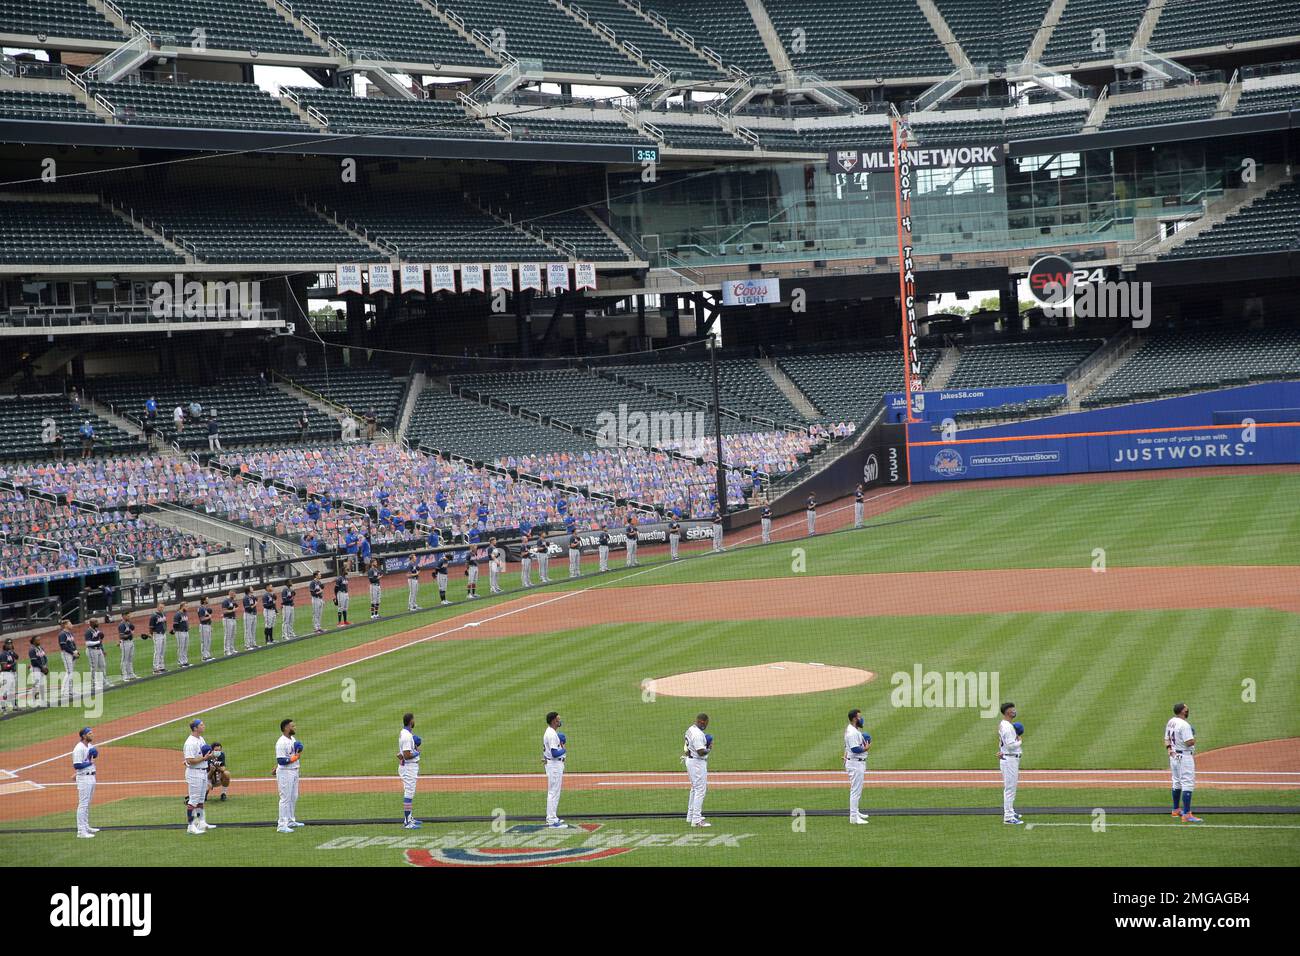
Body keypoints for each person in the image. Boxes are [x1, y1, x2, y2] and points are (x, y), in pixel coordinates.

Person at [1166, 702, 1202, 823]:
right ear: (1182, 711)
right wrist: (1194, 735)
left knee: (1176, 782)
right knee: (1187, 784)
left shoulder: (1171, 721)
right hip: (1184, 757)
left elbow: (1166, 739)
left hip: (1173, 756)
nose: (1188, 711)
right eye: (1186, 709)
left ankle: (1176, 809)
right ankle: (1186, 814)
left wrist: (1169, 749)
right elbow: (1189, 742)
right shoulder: (1185, 725)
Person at [183, 718, 216, 834]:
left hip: (202, 772)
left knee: (201, 799)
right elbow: (190, 760)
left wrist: (210, 756)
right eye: (201, 725)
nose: (204, 726)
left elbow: (204, 754)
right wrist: (204, 758)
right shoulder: (190, 743)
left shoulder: (201, 739)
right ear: (195, 728)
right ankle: (191, 826)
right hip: (194, 773)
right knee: (193, 800)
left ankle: (201, 823)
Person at [275, 718, 304, 833]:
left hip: (294, 771)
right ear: (286, 728)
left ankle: (291, 820)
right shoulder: (281, 742)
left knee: (293, 796)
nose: (294, 727)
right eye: (292, 726)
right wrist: (296, 757)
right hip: (285, 772)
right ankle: (282, 825)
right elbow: (281, 760)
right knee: (285, 798)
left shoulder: (292, 739)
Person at [683, 713, 712, 827]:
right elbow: (701, 752)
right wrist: (709, 748)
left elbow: (686, 749)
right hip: (697, 763)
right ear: (702, 722)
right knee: (700, 790)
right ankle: (696, 820)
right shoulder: (698, 735)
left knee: (694, 789)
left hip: (690, 761)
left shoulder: (690, 729)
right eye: (706, 723)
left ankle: (691, 816)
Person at [844, 708, 871, 825]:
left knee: (857, 790)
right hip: (855, 763)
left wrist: (845, 754)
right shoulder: (853, 732)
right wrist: (866, 748)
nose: (861, 719)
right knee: (855, 791)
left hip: (856, 762)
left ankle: (856, 812)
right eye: (859, 717)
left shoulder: (852, 730)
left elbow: (847, 746)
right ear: (855, 718)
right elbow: (855, 749)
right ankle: (854, 817)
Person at [997, 702, 1023, 825]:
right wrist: (1019, 742)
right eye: (1012, 709)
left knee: (1011, 787)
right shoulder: (1007, 727)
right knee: (1010, 789)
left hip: (1008, 758)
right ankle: (1008, 817)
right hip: (1010, 759)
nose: (1014, 711)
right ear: (1007, 712)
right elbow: (1010, 745)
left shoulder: (1004, 724)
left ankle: (1011, 811)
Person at [72, 727, 99, 838]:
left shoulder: (89, 746)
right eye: (90, 733)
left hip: (91, 777)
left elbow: (93, 756)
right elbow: (77, 765)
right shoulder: (78, 748)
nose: (92, 735)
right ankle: (81, 831)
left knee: (87, 803)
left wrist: (95, 753)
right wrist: (89, 762)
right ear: (84, 736)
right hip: (84, 779)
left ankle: (86, 826)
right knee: (83, 804)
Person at [542, 711, 568, 828]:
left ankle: (553, 817)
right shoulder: (551, 734)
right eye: (558, 719)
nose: (560, 721)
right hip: (554, 766)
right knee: (553, 792)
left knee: (555, 792)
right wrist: (564, 749)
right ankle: (551, 820)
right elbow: (554, 753)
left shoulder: (550, 732)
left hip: (553, 765)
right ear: (553, 721)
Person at [398, 713, 422, 829]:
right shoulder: (407, 736)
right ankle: (407, 822)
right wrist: (418, 752)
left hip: (408, 767)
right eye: (414, 719)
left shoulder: (405, 733)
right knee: (409, 793)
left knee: (409, 792)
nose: (414, 721)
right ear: (410, 721)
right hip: (409, 767)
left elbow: (403, 753)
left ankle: (409, 817)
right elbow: (407, 755)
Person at [56, 619, 78, 703]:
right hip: (66, 654)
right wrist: (72, 652)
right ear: (65, 625)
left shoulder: (69, 633)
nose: (72, 625)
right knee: (69, 672)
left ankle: (70, 691)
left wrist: (76, 652)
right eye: (70, 623)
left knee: (71, 672)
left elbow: (73, 643)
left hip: (72, 653)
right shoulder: (62, 634)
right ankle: (63, 692)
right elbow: (63, 646)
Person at [83, 618, 108, 689]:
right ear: (91, 623)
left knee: (103, 665)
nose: (98, 623)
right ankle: (94, 683)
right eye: (96, 622)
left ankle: (104, 681)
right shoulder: (88, 631)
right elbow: (87, 643)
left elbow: (100, 640)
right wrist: (98, 642)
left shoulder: (97, 630)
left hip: (99, 650)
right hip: (91, 650)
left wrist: (102, 650)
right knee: (94, 667)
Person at [27, 635, 49, 708]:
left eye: (40, 640)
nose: (39, 641)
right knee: (36, 685)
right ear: (34, 641)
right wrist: (42, 667)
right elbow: (34, 661)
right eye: (38, 640)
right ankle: (33, 701)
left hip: (42, 668)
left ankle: (42, 700)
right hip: (36, 669)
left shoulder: (40, 648)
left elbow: (44, 657)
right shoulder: (32, 650)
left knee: (42, 685)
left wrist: (45, 666)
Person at [117, 615, 138, 681]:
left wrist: (129, 623)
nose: (129, 617)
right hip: (124, 643)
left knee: (130, 658)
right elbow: (121, 636)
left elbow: (133, 628)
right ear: (123, 616)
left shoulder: (128, 623)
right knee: (124, 659)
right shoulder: (121, 625)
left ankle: (131, 674)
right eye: (128, 616)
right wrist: (130, 634)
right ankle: (124, 675)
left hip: (131, 642)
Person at [148, 602, 168, 674]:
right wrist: (151, 634)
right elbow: (151, 627)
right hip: (157, 635)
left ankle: (161, 667)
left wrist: (165, 630)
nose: (162, 608)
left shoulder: (164, 614)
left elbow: (165, 623)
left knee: (162, 651)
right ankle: (155, 668)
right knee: (157, 651)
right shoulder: (153, 616)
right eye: (160, 607)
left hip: (163, 634)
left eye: (163, 607)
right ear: (157, 607)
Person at [0, 638, 18, 713]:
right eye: (8, 644)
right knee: (5, 691)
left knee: (12, 691)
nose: (10, 645)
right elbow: (4, 666)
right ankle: (3, 708)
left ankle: (14, 706)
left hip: (12, 673)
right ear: (5, 645)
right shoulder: (3, 654)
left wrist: (13, 652)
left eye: (11, 644)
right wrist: (13, 664)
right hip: (6, 674)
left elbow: (17, 657)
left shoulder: (10, 653)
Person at [171, 602, 192, 668]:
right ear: (182, 606)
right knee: (181, 647)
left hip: (186, 632)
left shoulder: (185, 613)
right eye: (186, 606)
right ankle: (180, 662)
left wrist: (187, 627)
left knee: (185, 647)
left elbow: (185, 622)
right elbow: (175, 624)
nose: (187, 607)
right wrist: (176, 630)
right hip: (180, 632)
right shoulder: (177, 614)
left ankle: (185, 661)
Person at [219, 591, 238, 657]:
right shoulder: (225, 601)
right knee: (228, 635)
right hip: (227, 619)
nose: (235, 595)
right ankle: (226, 651)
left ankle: (232, 649)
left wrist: (234, 609)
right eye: (234, 594)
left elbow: (236, 607)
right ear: (231, 594)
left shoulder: (232, 601)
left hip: (233, 618)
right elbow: (224, 611)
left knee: (233, 634)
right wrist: (232, 610)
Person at [197, 597, 214, 662]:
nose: (208, 600)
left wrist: (211, 625)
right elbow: (201, 619)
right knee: (204, 641)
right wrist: (209, 617)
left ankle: (208, 655)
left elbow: (209, 618)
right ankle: (204, 657)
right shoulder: (201, 609)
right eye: (207, 599)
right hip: (204, 626)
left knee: (208, 641)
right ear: (204, 601)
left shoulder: (206, 608)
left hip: (208, 625)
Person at [241, 587, 259, 651]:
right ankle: (247, 646)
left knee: (253, 630)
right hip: (248, 615)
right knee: (248, 630)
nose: (253, 588)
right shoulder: (245, 598)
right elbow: (248, 608)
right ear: (248, 590)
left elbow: (256, 599)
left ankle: (253, 643)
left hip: (253, 614)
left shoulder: (252, 597)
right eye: (251, 588)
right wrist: (255, 604)